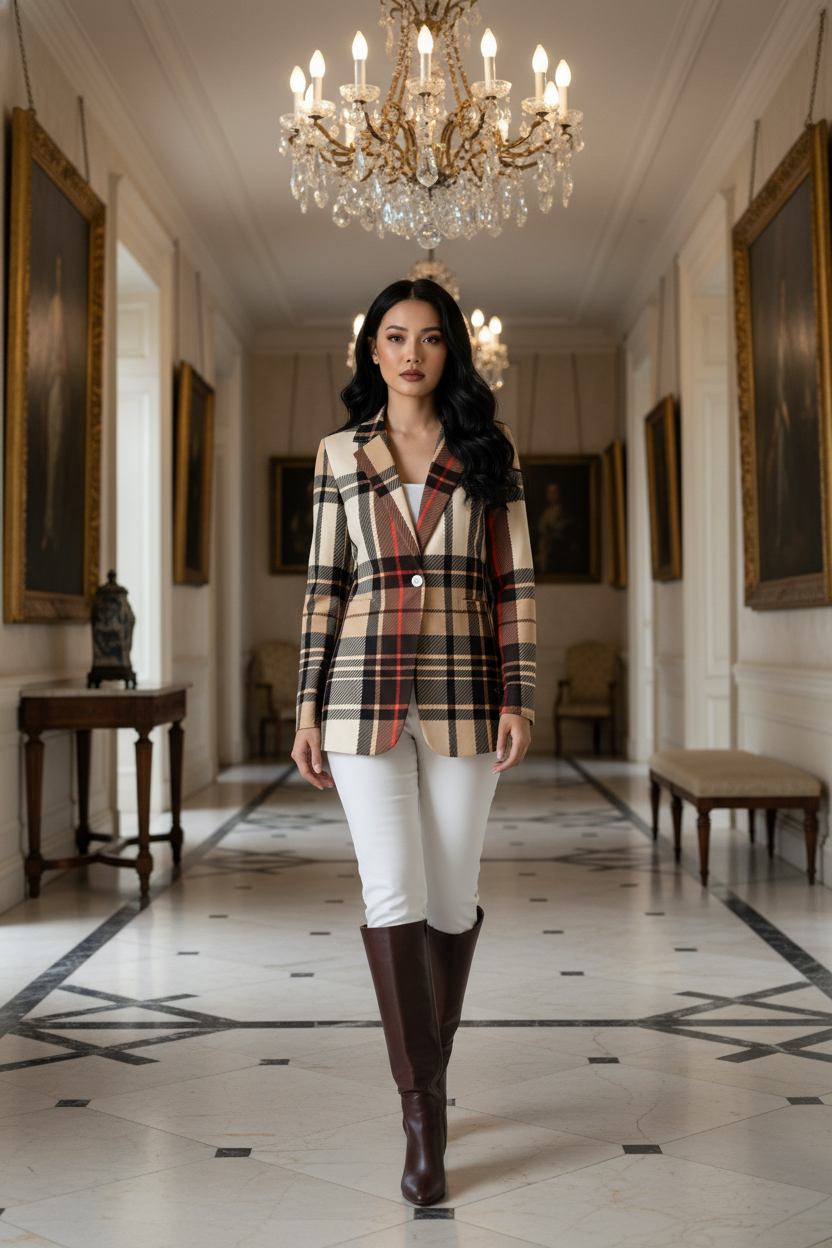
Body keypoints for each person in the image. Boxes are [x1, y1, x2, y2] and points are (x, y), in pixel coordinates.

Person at [292, 278, 536, 1207]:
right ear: (371, 351)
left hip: (470, 695)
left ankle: (429, 1072)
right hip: (359, 697)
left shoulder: (488, 451)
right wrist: (307, 710)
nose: (410, 353)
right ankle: (422, 1113)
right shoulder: (338, 455)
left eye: (430, 339)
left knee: (453, 896)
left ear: (450, 354)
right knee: (391, 889)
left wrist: (520, 693)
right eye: (394, 337)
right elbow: (323, 588)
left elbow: (512, 583)